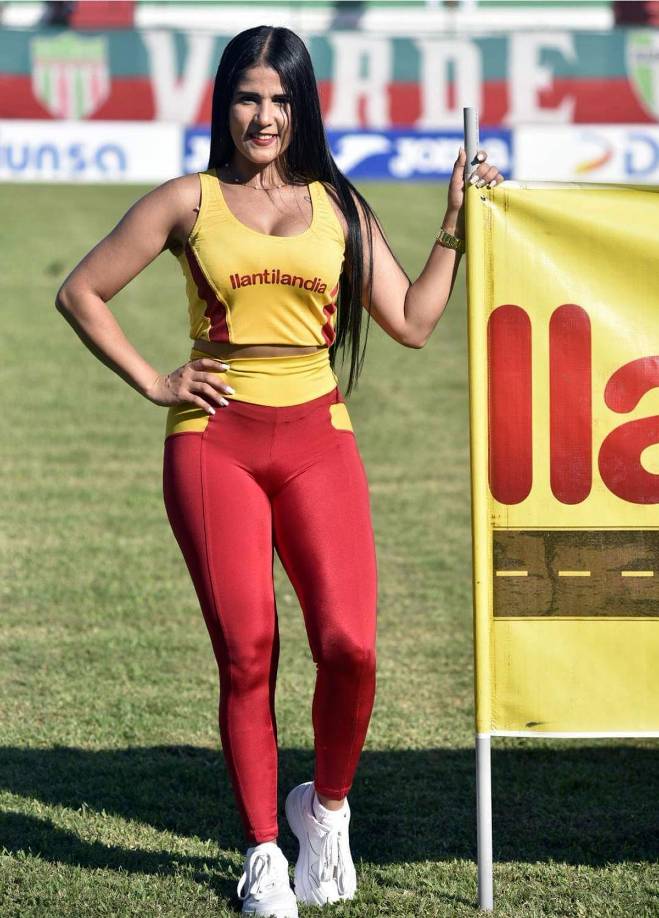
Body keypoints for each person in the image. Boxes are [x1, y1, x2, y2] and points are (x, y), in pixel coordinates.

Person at [55, 24, 503, 918]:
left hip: (316, 440)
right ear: (224, 103)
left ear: (303, 108)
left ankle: (324, 812)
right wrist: (155, 379)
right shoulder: (189, 199)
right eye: (249, 97)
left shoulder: (339, 205)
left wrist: (453, 227)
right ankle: (264, 852)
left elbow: (412, 319)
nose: (264, 115)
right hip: (211, 442)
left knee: (351, 644)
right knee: (247, 652)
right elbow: (80, 292)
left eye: (280, 99)